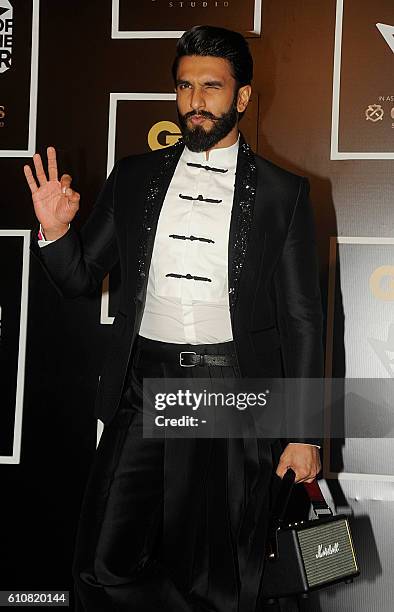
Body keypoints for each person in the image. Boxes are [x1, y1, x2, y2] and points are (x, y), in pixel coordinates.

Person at [24, 25, 323, 612]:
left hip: (233, 391)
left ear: (241, 97)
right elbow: (81, 279)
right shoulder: (134, 178)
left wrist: (305, 431)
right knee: (99, 567)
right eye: (185, 86)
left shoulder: (282, 194)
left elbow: (302, 318)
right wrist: (56, 233)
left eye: (211, 87)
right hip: (145, 385)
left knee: (220, 575)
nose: (195, 101)